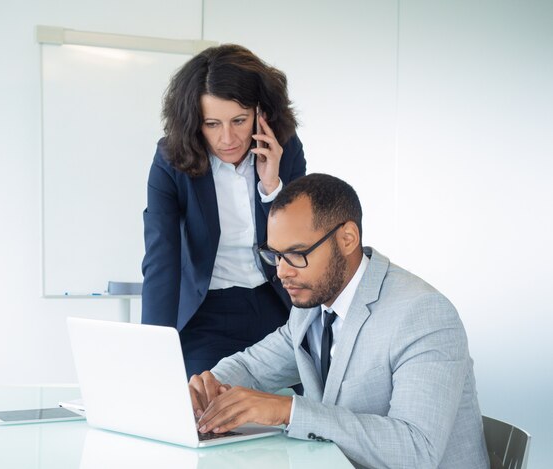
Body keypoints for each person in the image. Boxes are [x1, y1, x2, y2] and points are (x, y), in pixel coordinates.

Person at [189, 174, 489, 469]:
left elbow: (415, 451)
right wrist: (208, 387)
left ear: (347, 238)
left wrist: (288, 411)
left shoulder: (422, 314)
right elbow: (252, 368)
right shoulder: (311, 302)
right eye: (276, 255)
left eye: (296, 254)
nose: (282, 273)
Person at [141, 44, 306, 378]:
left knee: (290, 410)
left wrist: (272, 186)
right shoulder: (171, 160)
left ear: (262, 112)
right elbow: (162, 259)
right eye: (212, 124)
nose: (227, 138)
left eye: (239, 121)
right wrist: (152, 352)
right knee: (205, 415)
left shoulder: (286, 149)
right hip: (206, 313)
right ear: (194, 122)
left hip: (276, 307)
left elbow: (301, 243)